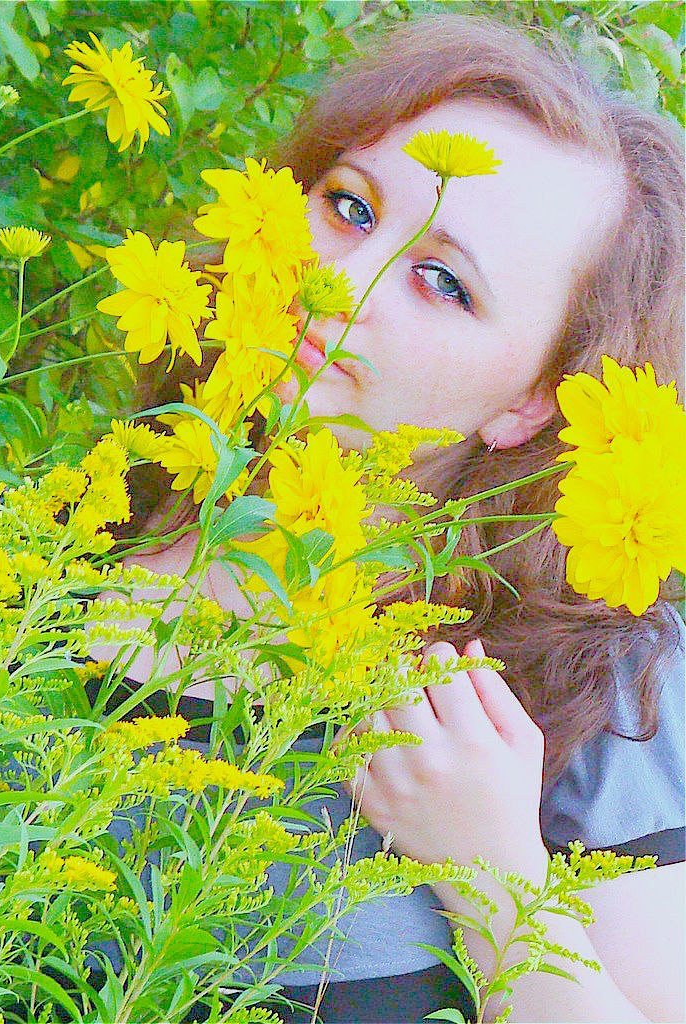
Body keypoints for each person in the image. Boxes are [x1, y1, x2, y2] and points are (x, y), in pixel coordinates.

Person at [105, 12, 685, 1023]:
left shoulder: (600, 691)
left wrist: (489, 871)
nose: (347, 279)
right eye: (349, 205)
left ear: (532, 401)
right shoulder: (34, 569)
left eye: (444, 282)